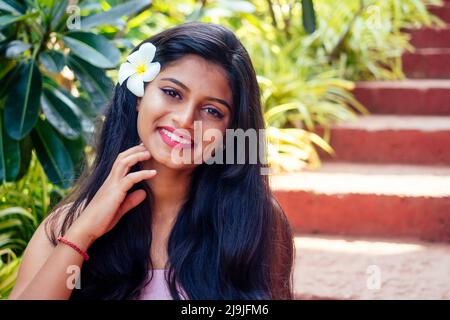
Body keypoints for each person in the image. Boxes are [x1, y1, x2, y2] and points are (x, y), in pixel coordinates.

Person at [8, 22, 294, 300]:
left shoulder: (252, 223)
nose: (185, 120)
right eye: (172, 93)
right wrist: (84, 232)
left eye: (212, 111)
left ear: (231, 130)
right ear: (138, 96)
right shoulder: (64, 225)